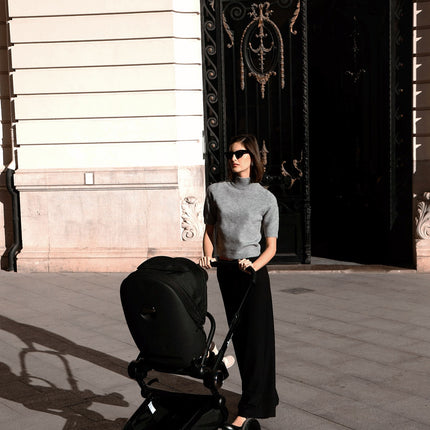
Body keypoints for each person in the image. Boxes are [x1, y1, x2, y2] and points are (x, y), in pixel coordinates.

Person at [199, 134, 279, 429]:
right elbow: (209, 229)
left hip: (252, 274)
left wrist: (253, 265)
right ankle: (257, 396)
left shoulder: (266, 198)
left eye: (241, 153)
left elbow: (270, 247)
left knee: (256, 340)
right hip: (226, 271)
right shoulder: (216, 191)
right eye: (231, 154)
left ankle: (251, 405)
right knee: (238, 335)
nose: (234, 158)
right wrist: (207, 256)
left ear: (252, 158)